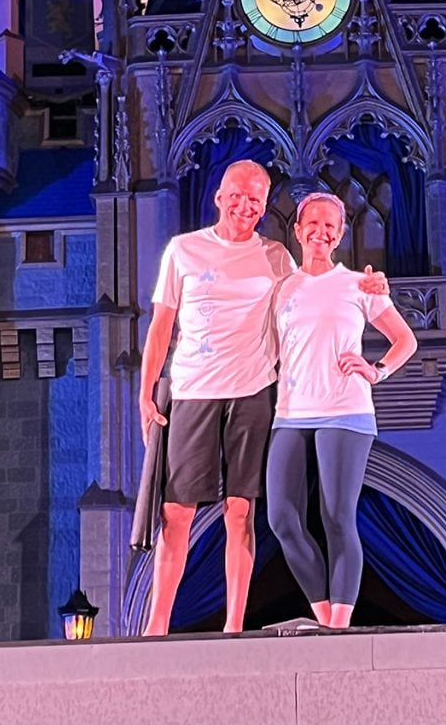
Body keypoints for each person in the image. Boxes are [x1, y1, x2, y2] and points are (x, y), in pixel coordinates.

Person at [138, 160, 388, 635]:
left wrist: (372, 288)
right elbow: (160, 326)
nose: (244, 205)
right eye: (237, 195)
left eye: (255, 198)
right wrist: (146, 392)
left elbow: (318, 288)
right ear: (218, 196)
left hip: (254, 393)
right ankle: (155, 626)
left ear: (265, 206)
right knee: (176, 512)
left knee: (241, 511)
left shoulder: (276, 257)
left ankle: (234, 625)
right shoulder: (183, 251)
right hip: (193, 390)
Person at [266, 192, 418, 629]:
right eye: (312, 223)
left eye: (330, 225)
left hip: (345, 410)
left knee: (336, 515)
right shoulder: (282, 288)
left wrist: (377, 371)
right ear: (296, 230)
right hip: (291, 412)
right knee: (282, 518)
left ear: (340, 235)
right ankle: (323, 617)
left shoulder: (360, 284)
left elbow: (405, 341)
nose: (321, 231)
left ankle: (339, 626)